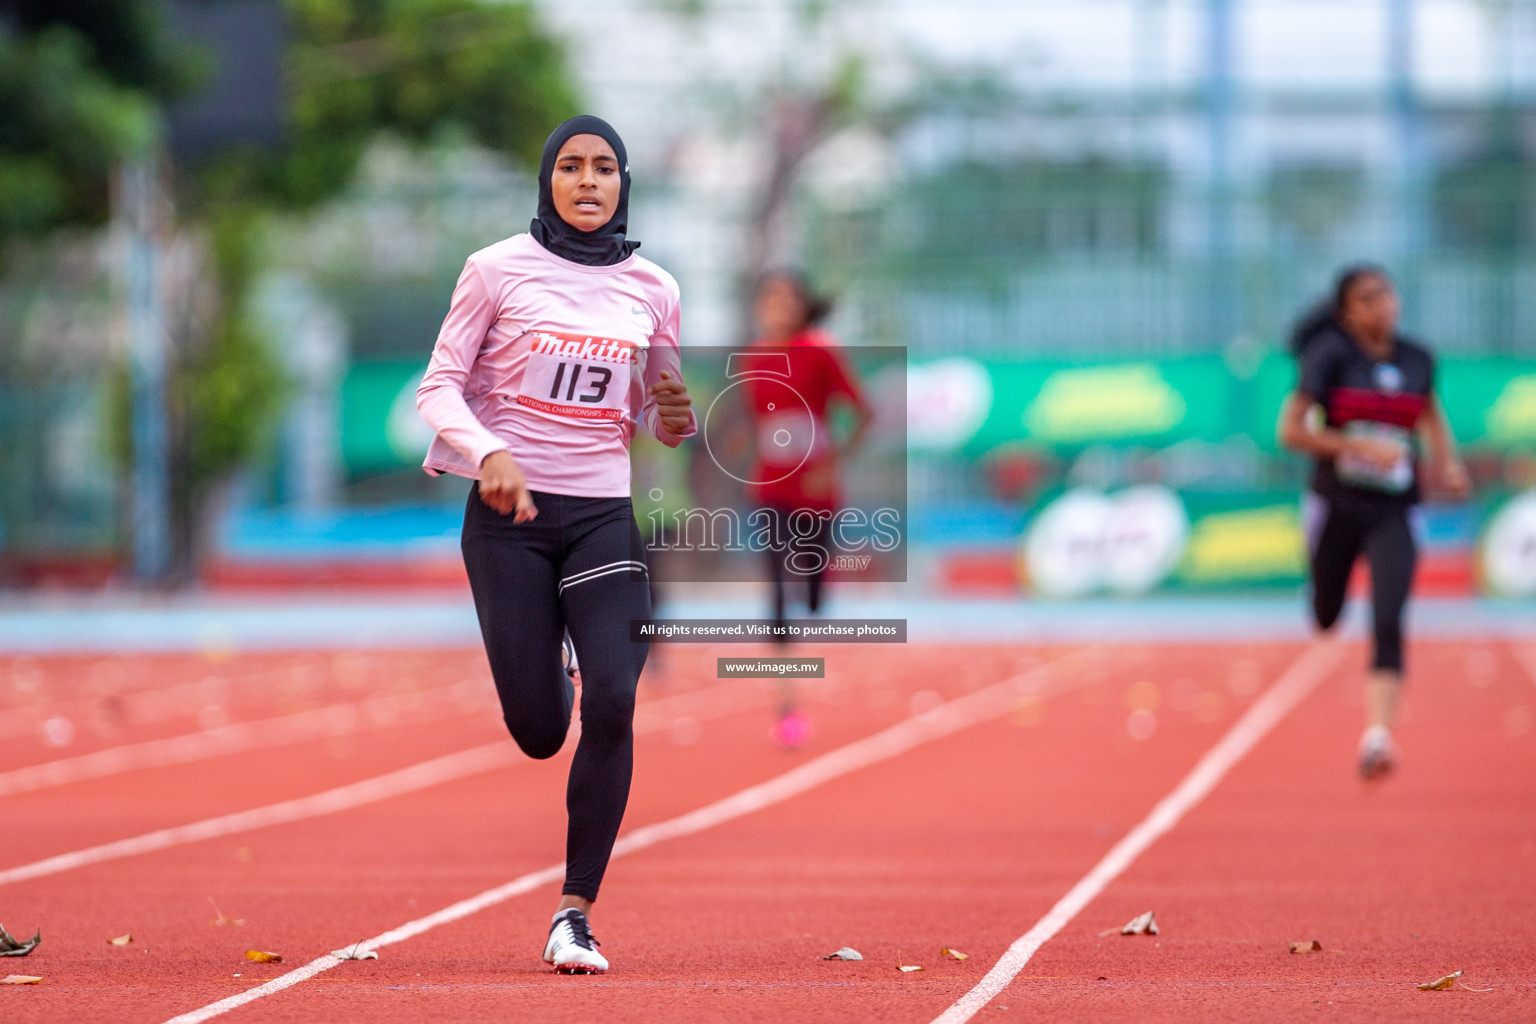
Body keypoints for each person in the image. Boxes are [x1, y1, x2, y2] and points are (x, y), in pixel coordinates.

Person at [416, 115, 695, 973]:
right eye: (570, 167)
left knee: (615, 698)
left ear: (622, 185)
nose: (586, 181)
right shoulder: (495, 270)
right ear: (547, 183)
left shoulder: (655, 287)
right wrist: (488, 454)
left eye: (604, 168)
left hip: (604, 515)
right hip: (511, 524)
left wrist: (673, 419)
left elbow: (653, 410)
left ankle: (575, 914)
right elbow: (438, 387)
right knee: (541, 731)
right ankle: (550, 666)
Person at [1277, 264, 1469, 780]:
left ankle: (1377, 736)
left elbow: (1431, 415)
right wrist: (1352, 444)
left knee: (1389, 617)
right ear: (1347, 313)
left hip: (1395, 508)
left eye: (1387, 293)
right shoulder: (1330, 358)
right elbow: (1290, 431)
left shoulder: (1418, 358)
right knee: (1326, 616)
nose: (1383, 305)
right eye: (1368, 298)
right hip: (1336, 506)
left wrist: (1447, 465)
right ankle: (1321, 592)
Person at [743, 271, 870, 748]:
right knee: (776, 594)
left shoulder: (819, 350)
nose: (775, 305)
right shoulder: (754, 357)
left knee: (812, 601)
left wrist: (831, 463)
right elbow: (761, 421)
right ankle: (787, 707)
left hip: (817, 496)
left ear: (802, 306)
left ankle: (819, 583)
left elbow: (863, 412)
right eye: (768, 297)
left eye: (785, 298)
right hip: (770, 492)